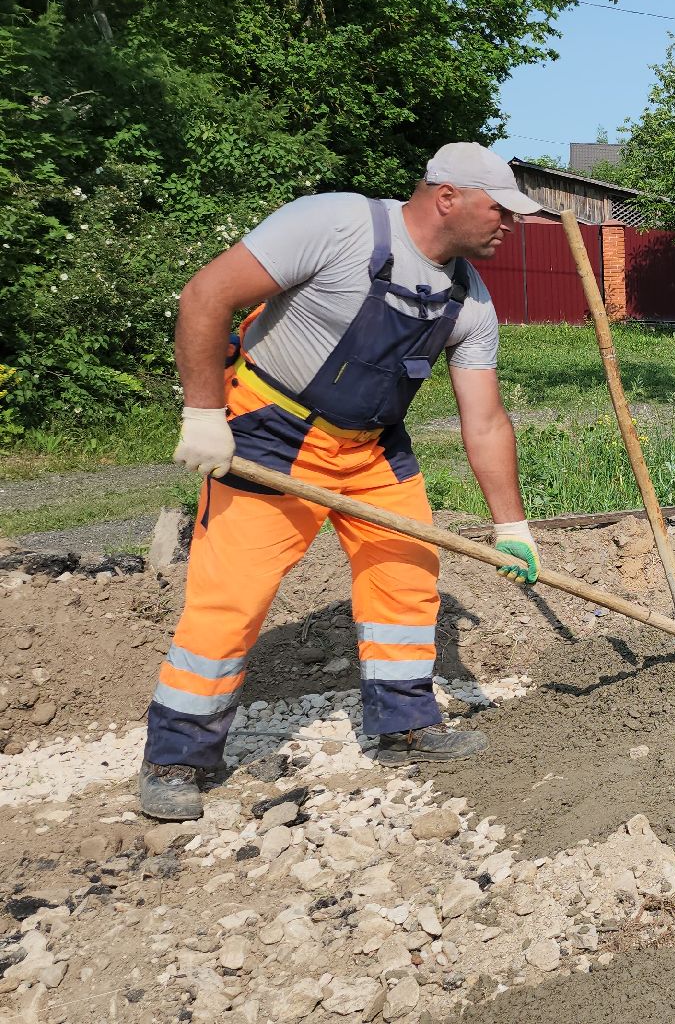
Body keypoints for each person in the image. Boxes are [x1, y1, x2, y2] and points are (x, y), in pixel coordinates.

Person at [141, 143, 547, 820]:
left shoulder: (469, 299)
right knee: (231, 595)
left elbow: (485, 420)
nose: (511, 223)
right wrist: (204, 412)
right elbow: (205, 296)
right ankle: (176, 758)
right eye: (500, 209)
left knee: (408, 576)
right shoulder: (334, 225)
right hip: (271, 435)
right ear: (447, 196)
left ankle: (405, 725)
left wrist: (512, 526)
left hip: (372, 450)